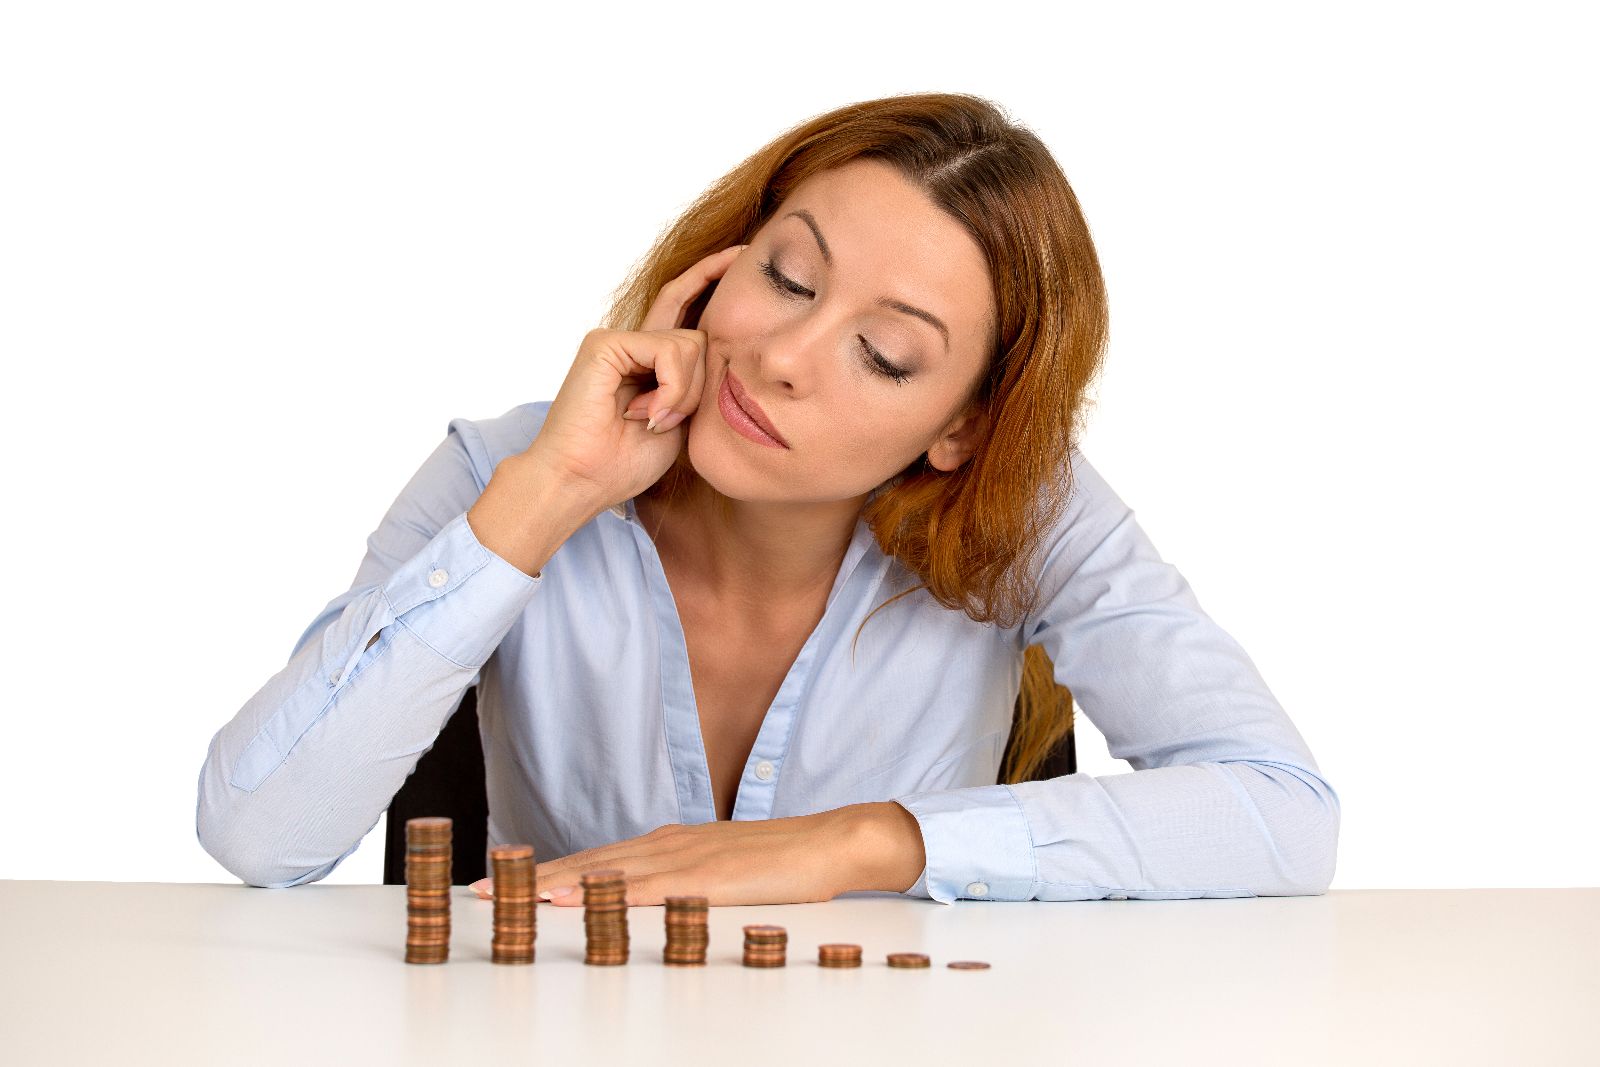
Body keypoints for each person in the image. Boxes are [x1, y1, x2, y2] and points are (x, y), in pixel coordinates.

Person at [195, 92, 1339, 906]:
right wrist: (547, 496)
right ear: (721, 262)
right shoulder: (511, 466)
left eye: (883, 353)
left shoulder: (1030, 514)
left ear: (961, 426)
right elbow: (258, 833)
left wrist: (858, 843)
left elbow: (1282, 812)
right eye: (785, 276)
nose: (783, 353)